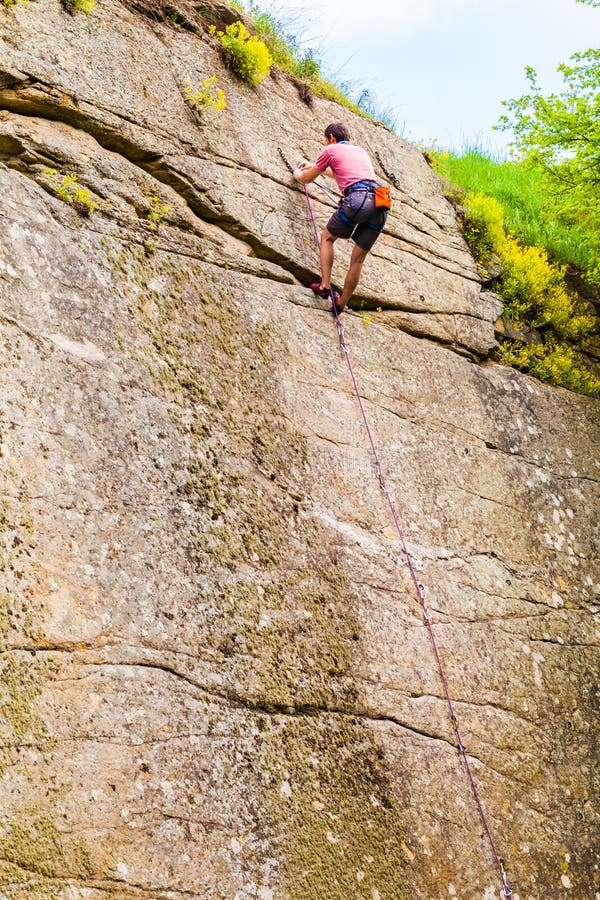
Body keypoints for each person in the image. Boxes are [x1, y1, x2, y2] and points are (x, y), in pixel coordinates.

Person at [293, 122, 389, 315]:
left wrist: (297, 174)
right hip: (380, 202)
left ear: (332, 138)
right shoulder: (360, 151)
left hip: (357, 199)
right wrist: (314, 165)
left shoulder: (331, 149)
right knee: (358, 260)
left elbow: (306, 179)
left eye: (326, 140)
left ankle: (325, 286)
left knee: (328, 237)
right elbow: (342, 172)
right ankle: (341, 303)